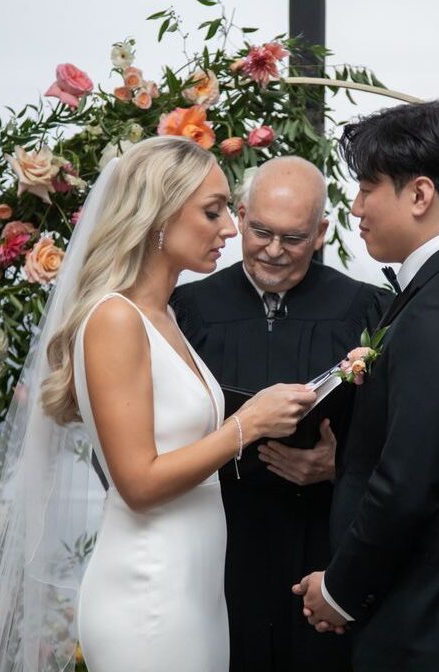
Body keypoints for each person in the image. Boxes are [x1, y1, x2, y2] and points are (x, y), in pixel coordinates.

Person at [0, 136, 316, 672]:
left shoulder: (163, 316)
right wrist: (245, 426)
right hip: (149, 593)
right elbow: (138, 484)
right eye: (213, 213)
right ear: (159, 214)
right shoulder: (116, 319)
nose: (230, 230)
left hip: (195, 590)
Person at [294, 101, 439, 672]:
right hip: (428, 602)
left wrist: (341, 589)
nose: (355, 207)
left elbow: (408, 482)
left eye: (367, 187)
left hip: (430, 615)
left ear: (419, 195)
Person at [171, 156, 391, 672]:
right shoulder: (182, 310)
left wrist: (342, 466)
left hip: (322, 549)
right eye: (261, 231)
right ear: (241, 216)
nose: (273, 250)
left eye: (292, 238)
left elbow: (411, 443)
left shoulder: (370, 310)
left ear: (320, 232)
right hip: (219, 544)